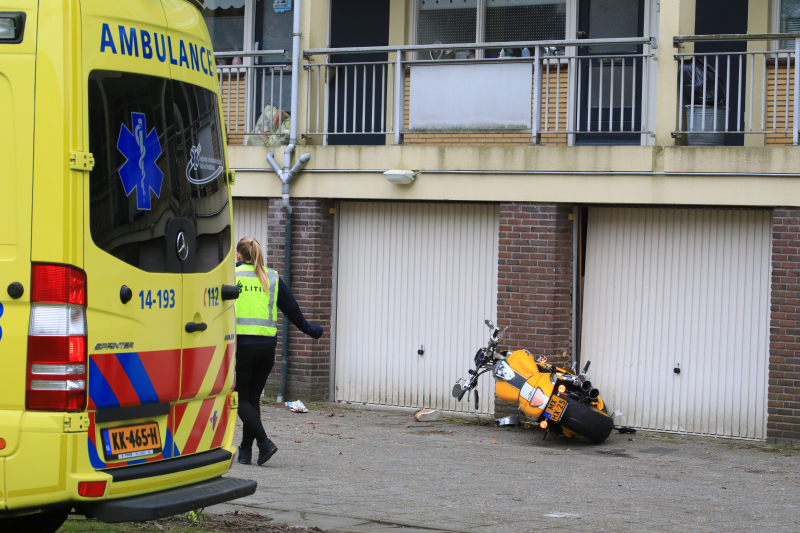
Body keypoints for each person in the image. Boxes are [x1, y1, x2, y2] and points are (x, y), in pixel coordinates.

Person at [234, 237, 323, 465]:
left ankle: (264, 442)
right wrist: (311, 330)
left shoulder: (232, 276)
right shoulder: (271, 277)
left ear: (238, 255)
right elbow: (292, 308)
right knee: (252, 399)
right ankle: (245, 451)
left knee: (240, 398)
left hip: (243, 346)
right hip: (266, 348)